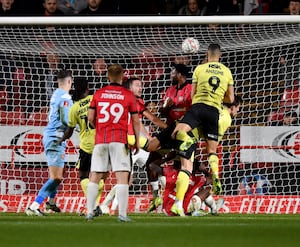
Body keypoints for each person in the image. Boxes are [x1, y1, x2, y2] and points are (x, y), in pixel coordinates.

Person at [146, 95, 241, 212]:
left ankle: (131, 139)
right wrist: (213, 174)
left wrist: (166, 159)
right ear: (233, 107)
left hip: (176, 127)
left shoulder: (212, 105)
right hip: (190, 137)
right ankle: (180, 205)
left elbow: (152, 166)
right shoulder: (225, 118)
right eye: (238, 108)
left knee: (150, 147)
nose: (238, 111)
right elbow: (211, 147)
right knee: (187, 168)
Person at [170, 43, 235, 216]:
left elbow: (193, 94)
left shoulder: (200, 68)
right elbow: (231, 98)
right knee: (212, 151)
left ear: (207, 54)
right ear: (220, 55)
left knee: (179, 132)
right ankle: (216, 174)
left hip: (198, 107)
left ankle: (178, 202)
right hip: (213, 111)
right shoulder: (227, 72)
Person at [99, 77, 167, 215]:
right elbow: (153, 119)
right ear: (129, 88)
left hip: (136, 143)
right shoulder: (131, 101)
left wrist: (147, 135)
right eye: (137, 85)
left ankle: (157, 199)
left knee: (153, 164)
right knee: (127, 179)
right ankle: (110, 208)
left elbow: (138, 121)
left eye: (141, 85)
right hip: (127, 144)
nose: (140, 88)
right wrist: (170, 128)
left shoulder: (133, 101)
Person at [86, 64, 140, 222]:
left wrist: (100, 128)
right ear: (122, 77)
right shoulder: (128, 95)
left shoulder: (98, 94)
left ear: (108, 77)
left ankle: (89, 212)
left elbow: (90, 118)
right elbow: (136, 121)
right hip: (119, 140)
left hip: (100, 140)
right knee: (122, 176)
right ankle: (122, 215)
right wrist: (136, 141)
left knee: (95, 175)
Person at [25, 69, 73, 216]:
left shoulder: (55, 94)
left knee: (59, 174)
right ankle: (34, 205)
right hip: (55, 137)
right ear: (69, 82)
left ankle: (51, 203)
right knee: (56, 177)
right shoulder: (65, 97)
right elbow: (66, 119)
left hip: (53, 135)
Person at [57, 77, 103, 216]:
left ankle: (93, 205)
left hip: (86, 146)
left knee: (83, 175)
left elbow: (69, 131)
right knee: (100, 177)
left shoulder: (74, 108)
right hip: (102, 142)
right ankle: (96, 205)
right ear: (87, 88)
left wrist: (61, 140)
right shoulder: (96, 99)